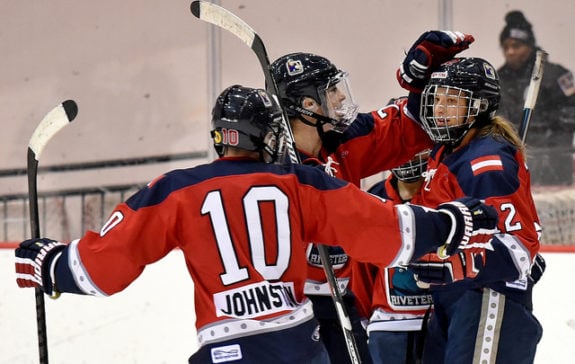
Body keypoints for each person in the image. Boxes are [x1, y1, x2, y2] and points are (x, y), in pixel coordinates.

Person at [14, 85, 498, 364]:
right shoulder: (298, 182)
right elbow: (383, 230)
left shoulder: (175, 189)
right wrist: (449, 224)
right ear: (266, 135)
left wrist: (51, 264)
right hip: (300, 346)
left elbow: (103, 267)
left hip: (227, 351)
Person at [270, 32, 473, 364]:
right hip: (288, 310)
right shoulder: (268, 166)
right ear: (308, 105)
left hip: (338, 303)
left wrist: (421, 82)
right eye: (330, 91)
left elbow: (410, 129)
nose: (339, 98)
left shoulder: (342, 142)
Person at [397, 56, 543, 363]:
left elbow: (517, 246)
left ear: (479, 105)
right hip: (454, 298)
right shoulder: (446, 151)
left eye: (452, 100)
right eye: (437, 99)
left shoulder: (486, 162)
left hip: (488, 297)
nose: (439, 109)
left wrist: (456, 263)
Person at [351, 147, 433, 364]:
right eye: (405, 151)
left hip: (436, 323)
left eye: (420, 152)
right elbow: (362, 266)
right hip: (387, 326)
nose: (411, 159)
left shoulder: (443, 191)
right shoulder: (373, 199)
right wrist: (365, 316)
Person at [497, 10, 575, 186]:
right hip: (514, 165)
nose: (510, 52)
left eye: (516, 46)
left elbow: (571, 114)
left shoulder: (554, 75)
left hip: (554, 164)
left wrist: (552, 150)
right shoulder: (498, 80)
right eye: (505, 47)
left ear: (529, 46)